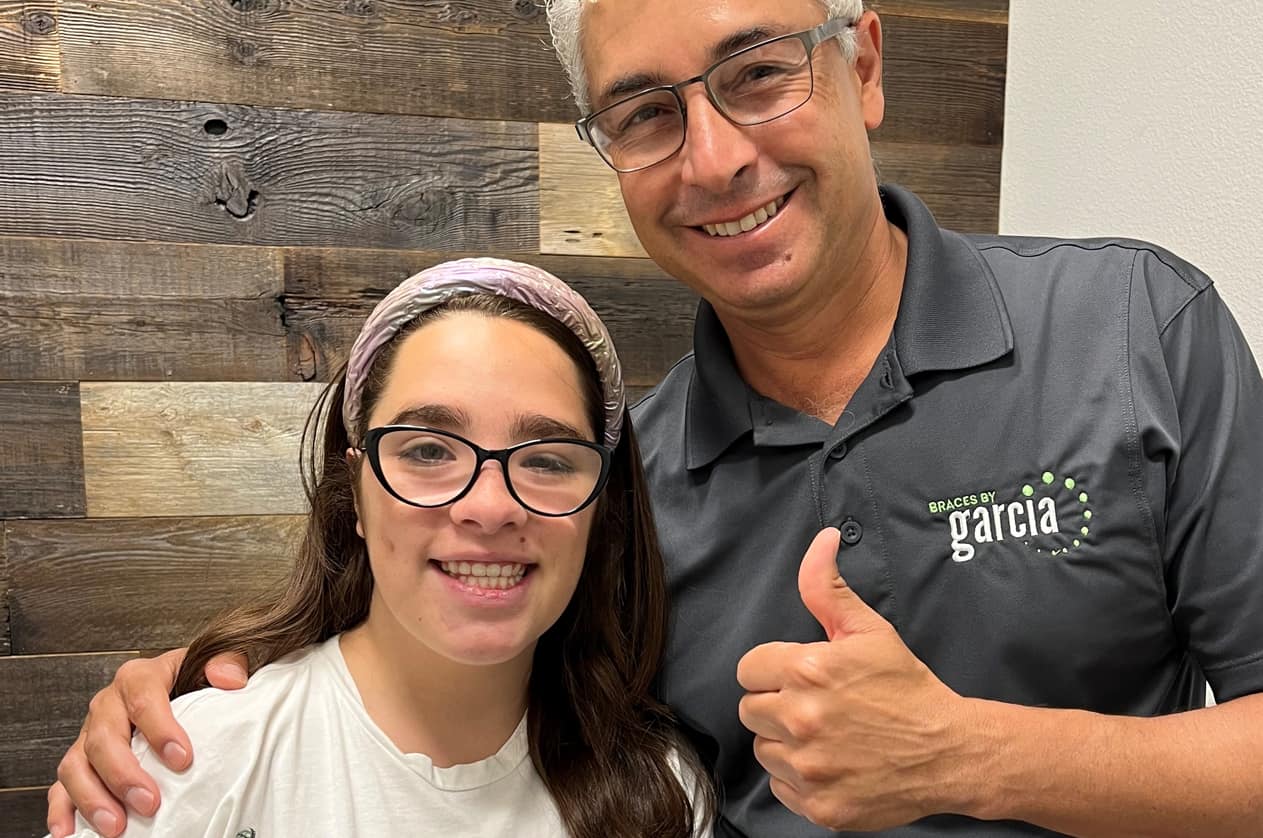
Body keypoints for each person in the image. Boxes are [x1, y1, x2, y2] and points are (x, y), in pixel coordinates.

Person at [48, 1, 1263, 835]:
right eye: (643, 113)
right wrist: (204, 706)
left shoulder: (1135, 332)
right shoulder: (625, 495)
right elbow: (444, 662)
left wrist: (967, 755)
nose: (715, 157)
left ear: (864, 65)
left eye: (760, 72)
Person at [50, 258, 713, 837]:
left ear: (599, 510)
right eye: (427, 451)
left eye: (546, 460)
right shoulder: (184, 762)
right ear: (356, 495)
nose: (489, 508)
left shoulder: (660, 795)